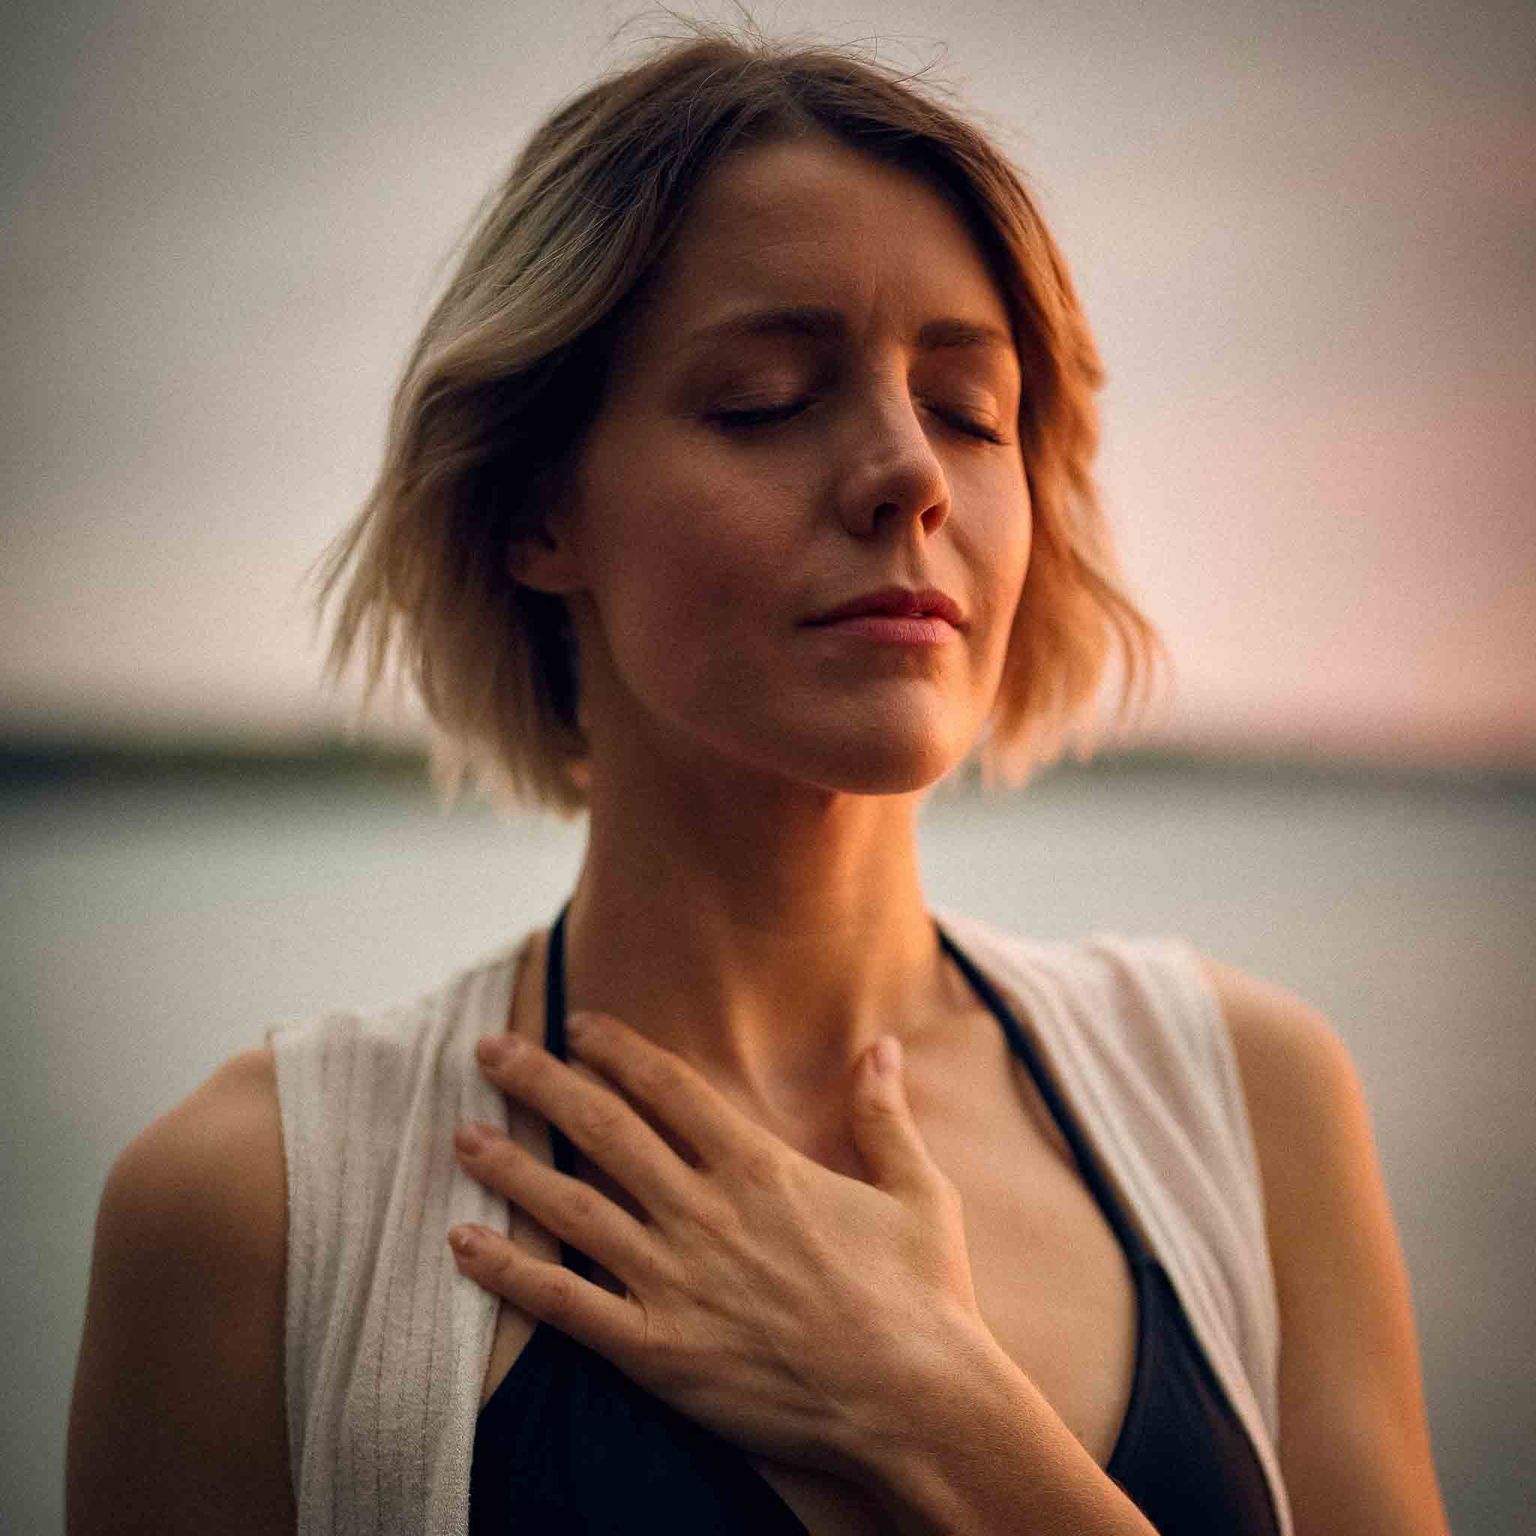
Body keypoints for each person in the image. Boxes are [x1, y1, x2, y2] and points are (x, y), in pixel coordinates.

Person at [66, 18, 1450, 1536]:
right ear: (540, 512)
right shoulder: (253, 1213)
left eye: (970, 411)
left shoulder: (1250, 1104)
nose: (911, 474)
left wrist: (939, 1415)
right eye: (767, 400)